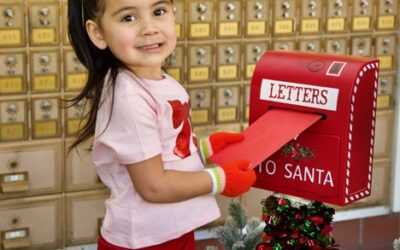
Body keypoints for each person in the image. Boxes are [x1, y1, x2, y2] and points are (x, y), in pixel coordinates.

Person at [67, 0, 256, 249]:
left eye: (158, 12)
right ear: (98, 33)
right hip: (145, 241)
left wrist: (205, 147)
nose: (149, 28)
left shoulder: (159, 80)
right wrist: (219, 179)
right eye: (128, 18)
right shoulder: (130, 97)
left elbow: (165, 149)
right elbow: (153, 186)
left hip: (173, 229)